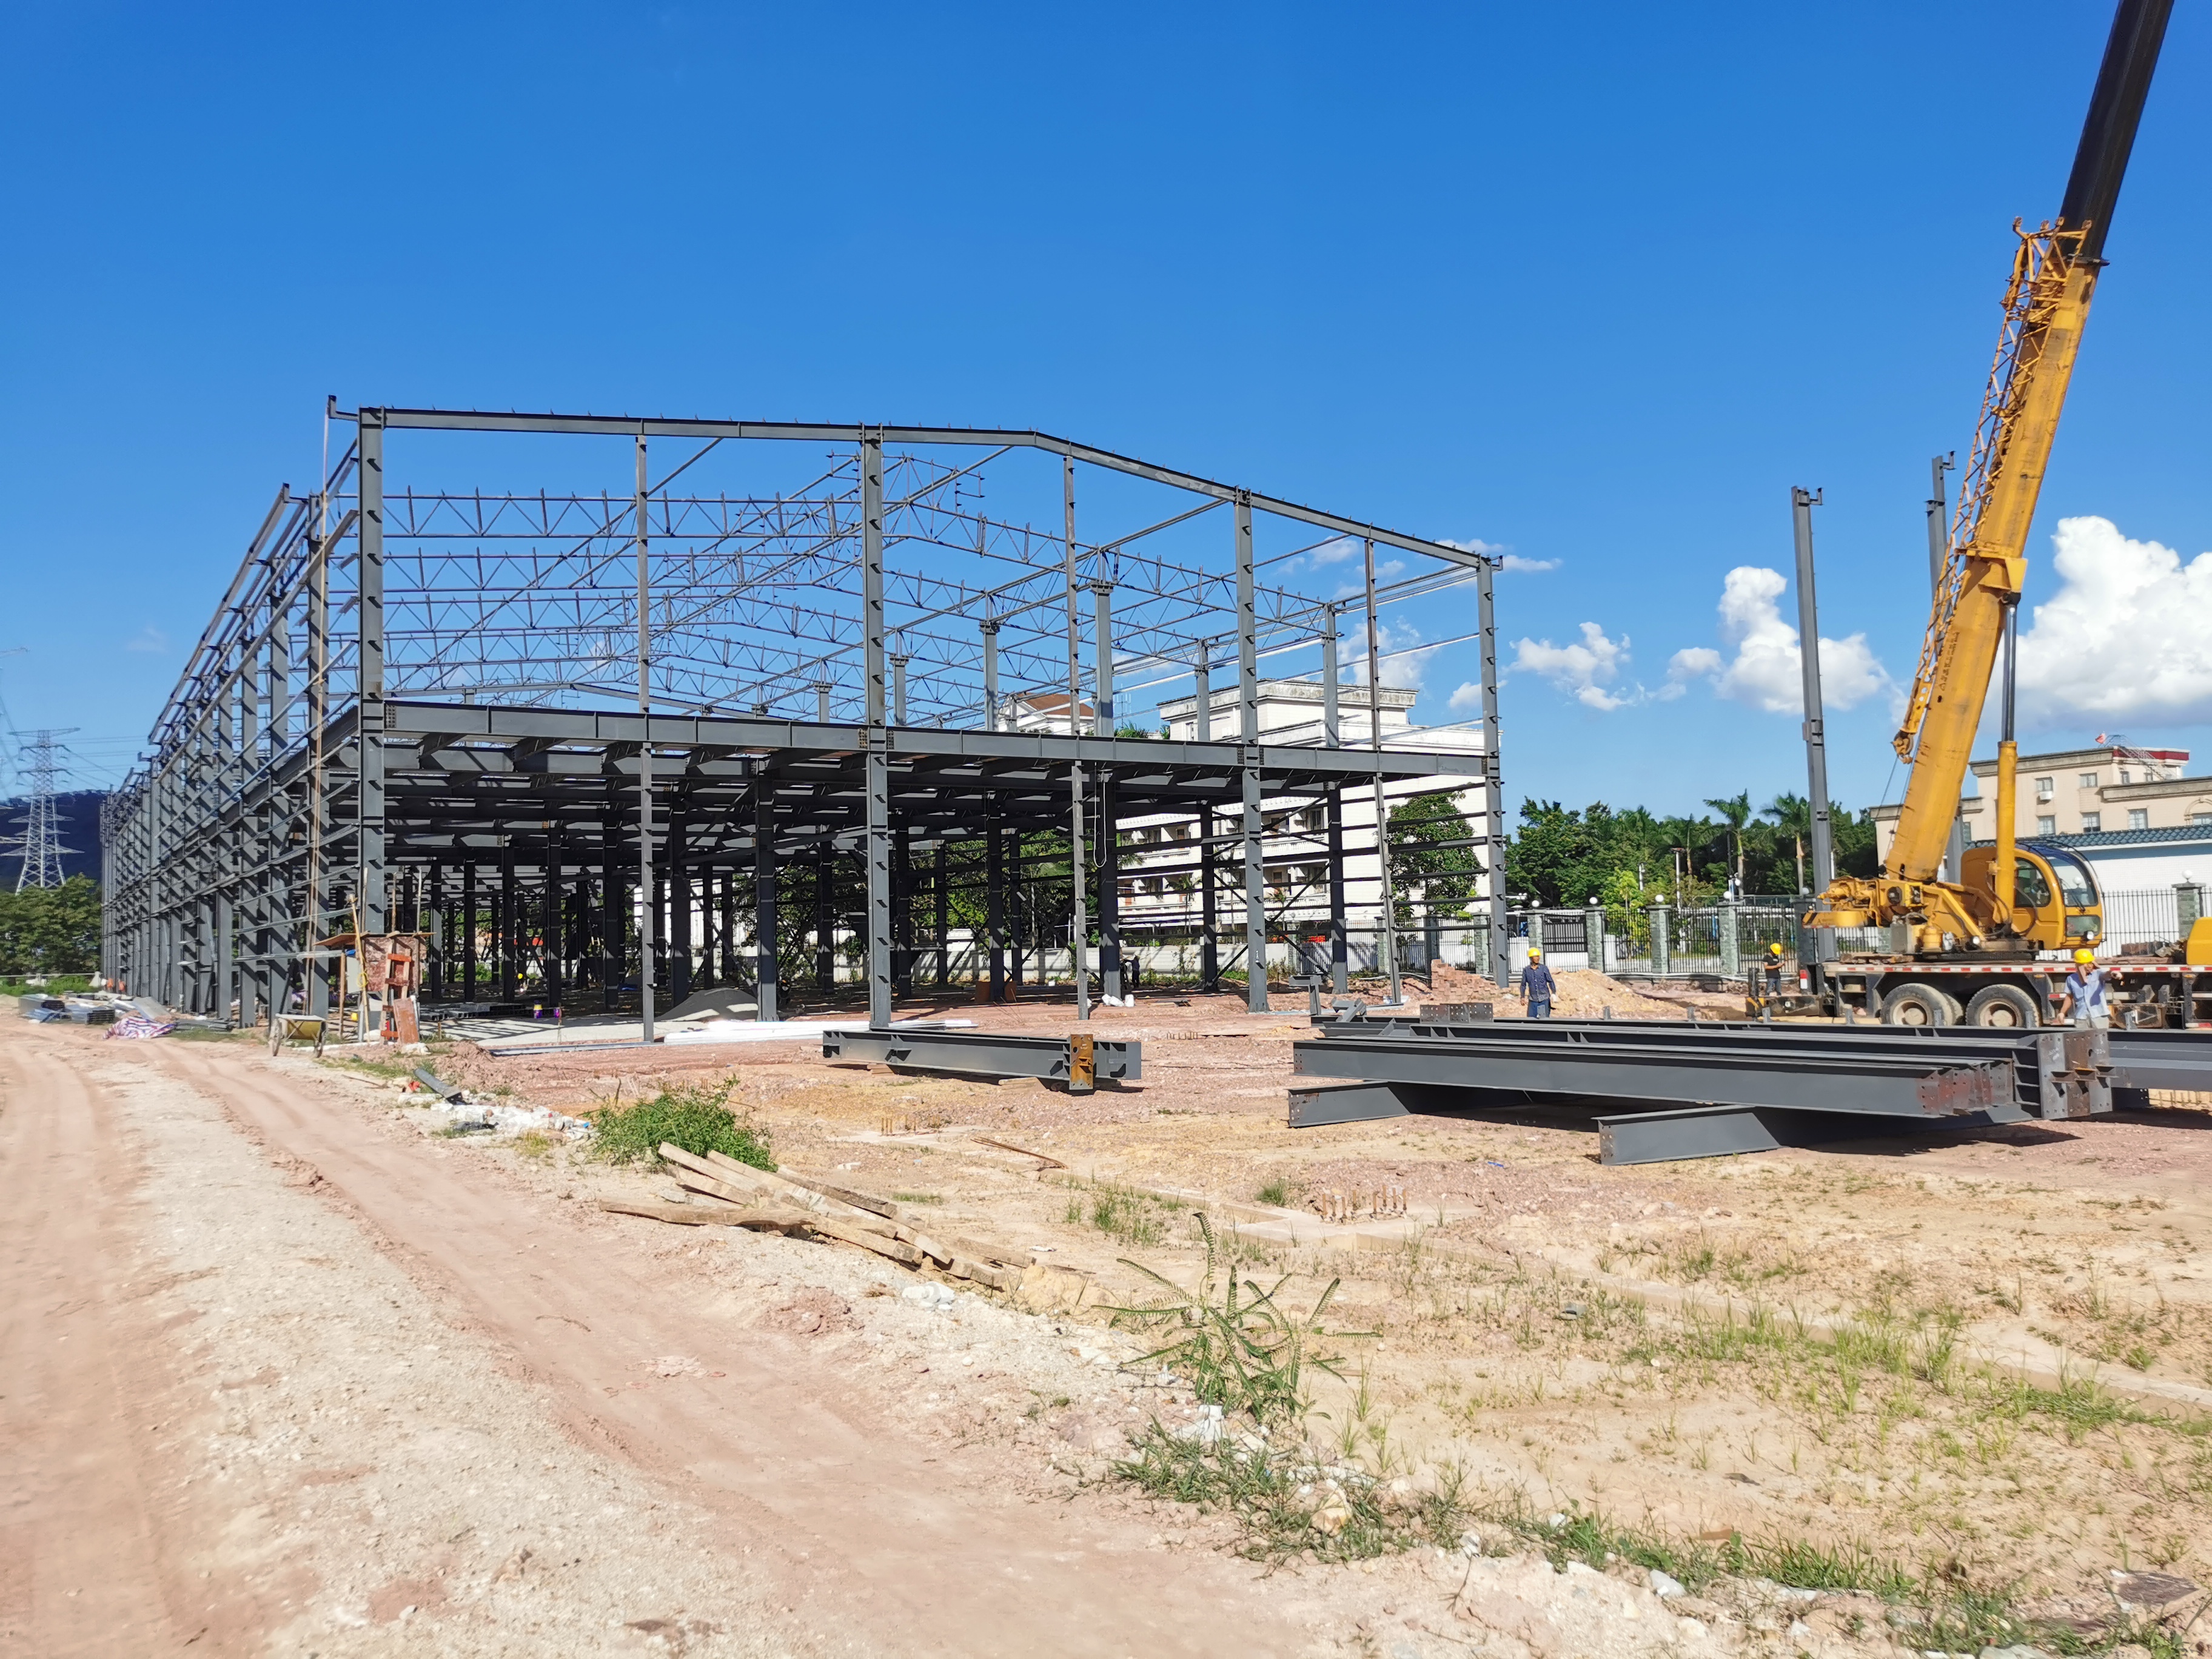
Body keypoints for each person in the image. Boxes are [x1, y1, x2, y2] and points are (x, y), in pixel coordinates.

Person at [2056, 947, 2111, 1029]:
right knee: (2082, 1041)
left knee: (2101, 1040)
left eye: (2090, 963)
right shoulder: (2071, 979)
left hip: (2099, 1016)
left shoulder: (2098, 974)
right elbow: (2069, 998)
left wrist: (2114, 973)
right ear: (2078, 965)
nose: (2089, 966)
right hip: (2081, 1018)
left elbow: (2107, 974)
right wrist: (2062, 1013)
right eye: (2085, 963)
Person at [1521, 947, 1557, 1019]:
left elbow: (1550, 981)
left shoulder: (1544, 969)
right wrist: (1522, 997)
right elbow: (1523, 985)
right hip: (1533, 1000)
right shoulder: (1527, 970)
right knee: (1531, 1020)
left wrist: (1553, 993)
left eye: (1538, 956)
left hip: (1544, 999)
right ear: (1531, 958)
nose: (1538, 958)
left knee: (1544, 1020)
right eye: (1536, 956)